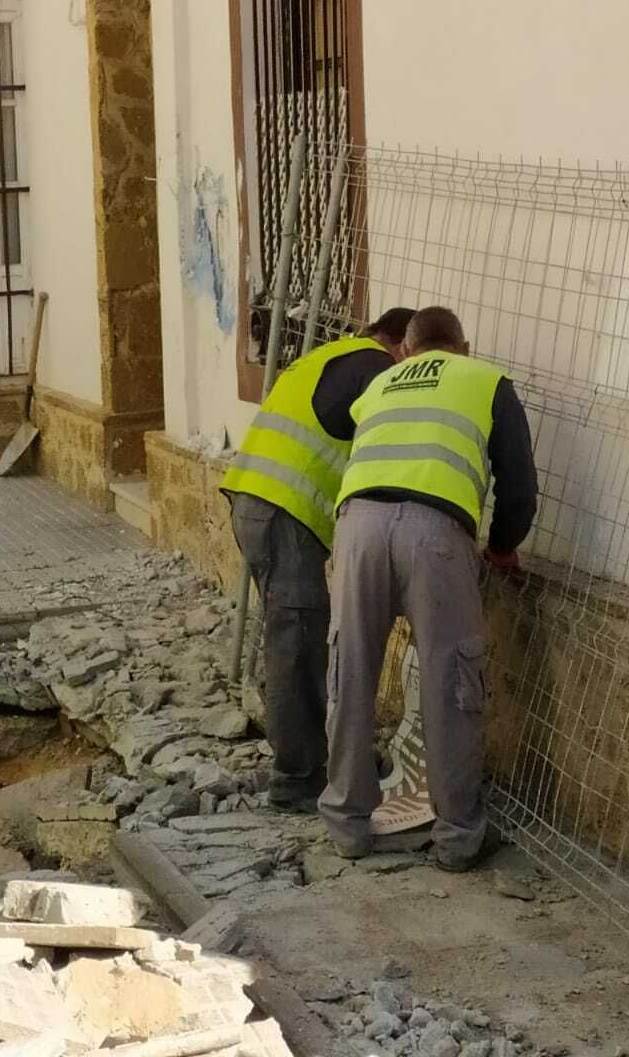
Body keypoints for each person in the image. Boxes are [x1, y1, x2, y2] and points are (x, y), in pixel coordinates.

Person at [320, 305, 538, 869]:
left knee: (352, 669)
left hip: (359, 526)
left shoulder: (380, 384)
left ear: (409, 351)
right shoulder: (486, 380)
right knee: (450, 681)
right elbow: (519, 483)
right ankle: (458, 837)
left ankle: (346, 825)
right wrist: (504, 544)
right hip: (436, 534)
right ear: (462, 347)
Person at [219, 308, 416, 811]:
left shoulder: (332, 355)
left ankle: (314, 758)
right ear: (399, 345)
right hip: (285, 513)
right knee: (298, 646)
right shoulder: (375, 368)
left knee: (295, 639)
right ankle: (297, 779)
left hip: (256, 503)